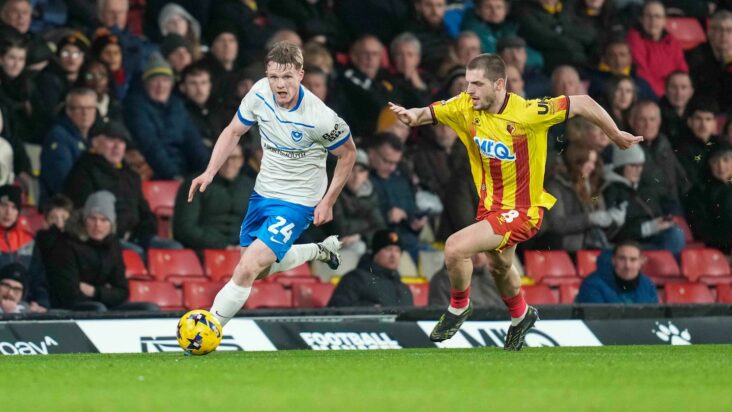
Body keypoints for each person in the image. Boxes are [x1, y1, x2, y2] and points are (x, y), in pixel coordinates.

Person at [389, 53, 642, 350]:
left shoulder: (528, 112)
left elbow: (583, 102)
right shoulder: (465, 105)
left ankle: (458, 307)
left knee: (455, 247)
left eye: (477, 84)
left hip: (524, 211)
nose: (469, 90)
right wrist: (412, 115)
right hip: (490, 208)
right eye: (468, 83)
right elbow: (429, 113)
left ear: (499, 84)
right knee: (499, 267)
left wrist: (614, 133)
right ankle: (521, 315)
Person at [188, 42, 357, 328]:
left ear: (300, 75)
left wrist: (328, 200)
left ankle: (209, 327)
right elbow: (233, 131)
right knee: (258, 269)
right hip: (263, 192)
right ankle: (320, 250)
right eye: (274, 77)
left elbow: (348, 153)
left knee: (246, 268)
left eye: (287, 77)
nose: (279, 85)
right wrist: (209, 172)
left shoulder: (320, 117)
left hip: (298, 201)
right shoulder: (259, 93)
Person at [174, 143, 255, 251]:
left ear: (242, 160)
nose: (229, 163)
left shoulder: (252, 187)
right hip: (203, 250)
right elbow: (185, 228)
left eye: (234, 158)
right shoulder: (196, 185)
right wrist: (223, 246)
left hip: (244, 251)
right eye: (225, 157)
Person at [328, 229, 413, 307]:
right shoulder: (355, 279)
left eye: (397, 250)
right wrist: (370, 310)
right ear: (375, 253)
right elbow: (335, 311)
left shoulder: (404, 289)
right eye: (388, 249)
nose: (393, 255)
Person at [575, 240, 658, 304]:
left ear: (641, 261)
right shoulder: (592, 284)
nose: (627, 265)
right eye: (622, 259)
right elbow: (596, 319)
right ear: (613, 260)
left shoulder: (648, 285)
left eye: (633, 259)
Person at [429, 253, 503, 307]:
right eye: (472, 251)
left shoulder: (496, 276)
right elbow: (440, 316)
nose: (478, 256)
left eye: (482, 251)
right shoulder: (442, 280)